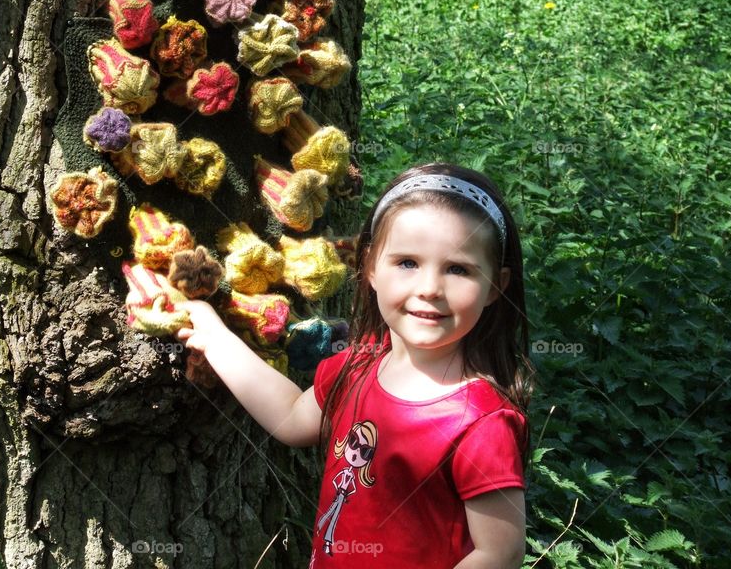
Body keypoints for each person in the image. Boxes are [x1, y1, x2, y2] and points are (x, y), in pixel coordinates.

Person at [177, 163, 533, 568]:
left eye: (458, 269)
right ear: (370, 267)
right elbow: (294, 418)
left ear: (495, 287)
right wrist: (219, 340)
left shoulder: (481, 422)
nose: (430, 288)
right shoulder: (359, 366)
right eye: (407, 263)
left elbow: (500, 553)